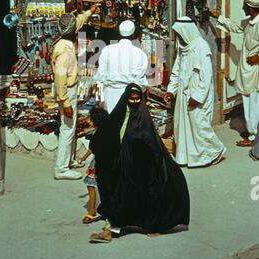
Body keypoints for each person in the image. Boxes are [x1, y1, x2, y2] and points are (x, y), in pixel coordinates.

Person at [88, 84, 190, 243]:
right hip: (123, 163)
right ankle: (110, 231)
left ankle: (151, 226)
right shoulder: (121, 113)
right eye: (131, 98)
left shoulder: (143, 116)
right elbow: (108, 131)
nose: (134, 101)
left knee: (145, 196)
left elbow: (150, 140)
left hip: (142, 165)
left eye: (137, 98)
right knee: (120, 196)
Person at [164, 16, 226, 168]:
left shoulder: (201, 46)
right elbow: (177, 70)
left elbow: (206, 76)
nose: (178, 37)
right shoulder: (182, 47)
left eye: (179, 33)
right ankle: (188, 158)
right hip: (183, 92)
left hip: (197, 93)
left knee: (199, 126)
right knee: (183, 126)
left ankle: (216, 150)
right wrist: (171, 91)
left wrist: (197, 97)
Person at [52, 4, 99, 180]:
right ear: (71, 31)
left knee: (70, 127)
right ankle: (61, 168)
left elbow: (77, 22)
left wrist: (89, 12)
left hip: (70, 90)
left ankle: (69, 160)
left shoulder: (64, 39)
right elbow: (60, 78)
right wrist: (64, 102)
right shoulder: (64, 49)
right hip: (67, 91)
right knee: (67, 128)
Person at [212, 0, 259, 147]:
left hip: (254, 69)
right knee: (248, 100)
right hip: (247, 69)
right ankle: (253, 132)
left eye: (245, 6)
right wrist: (219, 17)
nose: (242, 8)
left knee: (253, 102)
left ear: (251, 9)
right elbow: (235, 27)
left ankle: (253, 137)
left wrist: (257, 58)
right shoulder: (249, 21)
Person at [96, 20, 149, 113]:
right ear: (134, 35)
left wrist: (100, 99)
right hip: (130, 98)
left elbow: (100, 77)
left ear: (119, 34)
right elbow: (141, 83)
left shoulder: (107, 50)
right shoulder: (140, 53)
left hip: (109, 97)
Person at [79, 107, 108, 224]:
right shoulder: (105, 131)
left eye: (90, 118)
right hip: (104, 163)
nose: (88, 120)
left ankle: (92, 211)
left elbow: (92, 149)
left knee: (91, 186)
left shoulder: (97, 133)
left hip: (98, 164)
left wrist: (83, 158)